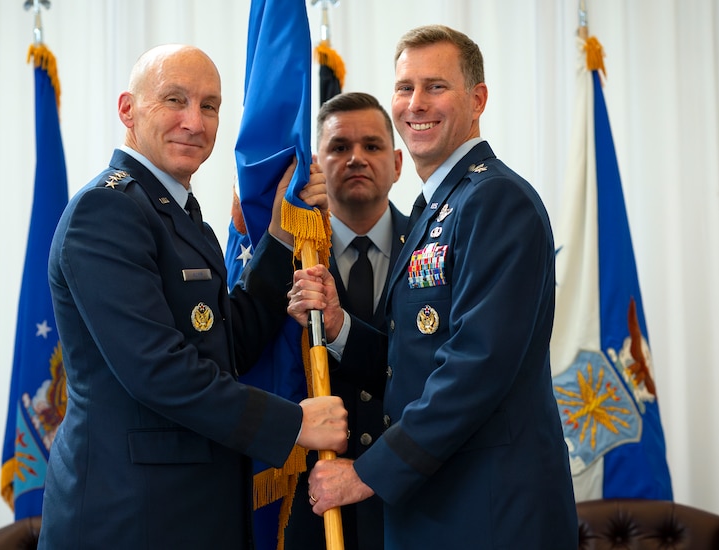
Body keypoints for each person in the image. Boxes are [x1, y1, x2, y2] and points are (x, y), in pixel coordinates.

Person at [39, 44, 348, 549]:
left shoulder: (178, 213)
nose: (194, 122)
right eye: (174, 100)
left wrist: (280, 240)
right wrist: (294, 422)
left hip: (189, 512)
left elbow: (226, 344)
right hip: (130, 517)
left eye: (209, 106)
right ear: (128, 109)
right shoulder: (107, 211)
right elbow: (158, 370)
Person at [288, 25, 578, 548]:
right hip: (438, 506)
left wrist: (367, 472)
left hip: (487, 512)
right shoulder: (434, 209)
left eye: (435, 87)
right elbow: (414, 356)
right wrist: (338, 325)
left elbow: (475, 366)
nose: (415, 104)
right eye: (404, 88)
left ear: (477, 99)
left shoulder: (494, 201)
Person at [284, 92, 407, 550]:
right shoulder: (286, 253)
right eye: (339, 148)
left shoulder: (435, 245)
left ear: (397, 162)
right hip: (312, 510)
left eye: (372, 146)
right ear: (316, 164)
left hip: (408, 504)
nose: (356, 157)